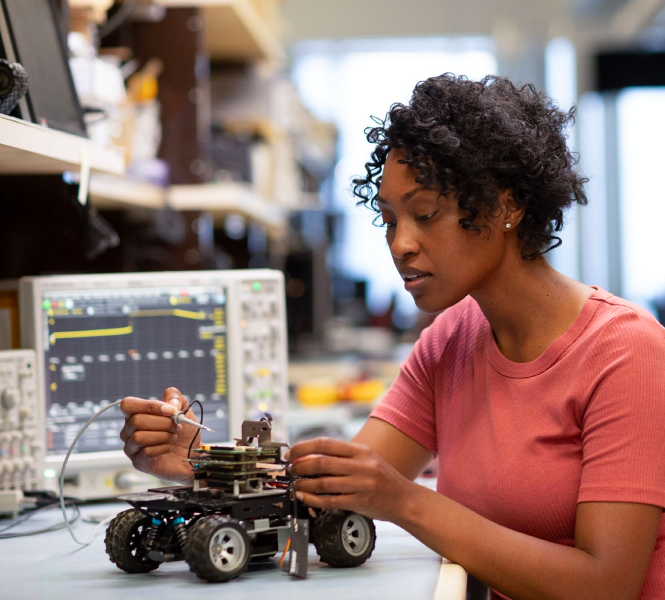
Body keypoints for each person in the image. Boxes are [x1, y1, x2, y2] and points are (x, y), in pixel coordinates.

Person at [120, 74, 665, 600]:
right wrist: (201, 463)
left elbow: (605, 586)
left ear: (506, 206)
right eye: (387, 218)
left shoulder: (628, 353)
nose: (400, 244)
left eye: (425, 214)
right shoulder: (450, 339)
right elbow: (336, 486)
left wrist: (406, 502)